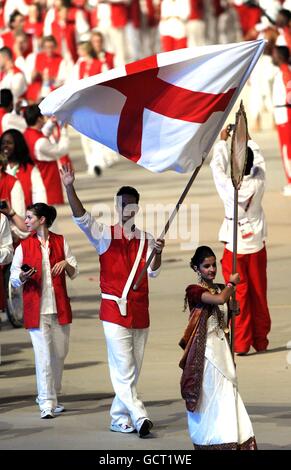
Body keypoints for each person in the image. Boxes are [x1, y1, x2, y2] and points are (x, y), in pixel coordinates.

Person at [60, 164, 165, 437]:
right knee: (124, 366)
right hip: (113, 310)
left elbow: (153, 272)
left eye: (130, 205)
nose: (125, 209)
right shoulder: (104, 234)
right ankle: (140, 416)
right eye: (121, 205)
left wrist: (159, 253)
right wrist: (69, 186)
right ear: (117, 207)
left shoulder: (147, 239)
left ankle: (119, 417)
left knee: (132, 369)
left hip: (141, 311)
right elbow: (81, 217)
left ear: (137, 208)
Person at [180, 245, 257, 450]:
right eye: (206, 266)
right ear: (197, 269)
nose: (212, 269)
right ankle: (213, 440)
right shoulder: (194, 291)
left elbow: (230, 309)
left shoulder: (222, 287)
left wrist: (233, 305)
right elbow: (218, 300)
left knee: (227, 394)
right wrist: (232, 285)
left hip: (222, 349)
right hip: (206, 353)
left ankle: (233, 438)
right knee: (211, 396)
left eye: (214, 265)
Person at [10, 202, 78, 419]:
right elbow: (13, 279)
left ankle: (51, 395)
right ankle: (46, 402)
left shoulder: (60, 241)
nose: (26, 221)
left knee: (59, 353)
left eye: (30, 217)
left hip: (59, 308)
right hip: (36, 310)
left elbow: (74, 270)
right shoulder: (23, 246)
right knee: (44, 358)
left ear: (42, 220)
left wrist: (65, 264)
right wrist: (23, 276)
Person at [210, 126, 271, 355]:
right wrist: (250, 140)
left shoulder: (227, 186)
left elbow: (216, 167)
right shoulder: (259, 182)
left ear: (235, 166)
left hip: (234, 249)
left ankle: (242, 343)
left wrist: (222, 142)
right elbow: (261, 162)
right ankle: (261, 340)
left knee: (238, 297)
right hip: (256, 245)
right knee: (258, 294)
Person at [0, 128, 47, 208]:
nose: (5, 146)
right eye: (3, 143)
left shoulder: (30, 170)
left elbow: (39, 197)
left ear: (18, 145)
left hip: (23, 218)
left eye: (9, 143)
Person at [271, 45, 291, 196]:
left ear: (280, 56)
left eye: (275, 54)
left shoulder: (285, 70)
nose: (273, 56)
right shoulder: (281, 70)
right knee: (285, 150)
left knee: (287, 150)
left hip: (285, 113)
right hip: (280, 112)